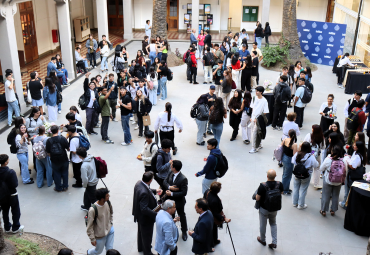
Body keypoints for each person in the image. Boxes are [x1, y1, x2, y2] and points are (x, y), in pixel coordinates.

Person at [132, 171, 162, 255]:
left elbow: (147, 189)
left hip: (139, 216)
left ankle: (141, 247)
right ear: (151, 180)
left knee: (141, 233)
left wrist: (155, 190)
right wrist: (156, 214)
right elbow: (144, 209)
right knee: (147, 236)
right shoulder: (144, 193)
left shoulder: (139, 183)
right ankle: (147, 252)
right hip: (146, 218)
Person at [255, 169, 283, 249]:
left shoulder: (262, 186)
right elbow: (281, 193)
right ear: (275, 176)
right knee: (273, 223)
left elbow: (257, 198)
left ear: (267, 176)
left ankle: (262, 240)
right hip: (274, 209)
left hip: (264, 209)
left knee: (263, 224)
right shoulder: (279, 184)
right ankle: (274, 242)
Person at [163, 160, 188, 241]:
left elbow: (184, 193)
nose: (170, 166)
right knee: (171, 216)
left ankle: (184, 231)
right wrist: (170, 187)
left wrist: (172, 194)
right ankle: (171, 230)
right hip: (170, 201)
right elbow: (165, 181)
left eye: (171, 165)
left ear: (174, 168)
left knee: (182, 215)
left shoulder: (183, 179)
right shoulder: (171, 172)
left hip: (179, 201)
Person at [0, 154, 24, 233]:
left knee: (5, 211)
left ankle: (7, 227)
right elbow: (15, 184)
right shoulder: (11, 172)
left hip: (2, 195)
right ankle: (15, 226)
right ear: (6, 162)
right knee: (15, 210)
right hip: (12, 194)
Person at [319, 145, 346, 217]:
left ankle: (324, 210)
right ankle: (333, 210)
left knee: (326, 195)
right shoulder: (343, 160)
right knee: (336, 195)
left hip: (328, 180)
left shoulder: (328, 159)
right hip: (338, 182)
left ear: (332, 152)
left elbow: (321, 168)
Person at [86, 188, 114, 255]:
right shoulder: (93, 210)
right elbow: (89, 226)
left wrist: (111, 222)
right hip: (100, 235)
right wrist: (92, 239)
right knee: (98, 251)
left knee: (110, 251)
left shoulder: (108, 202)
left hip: (110, 231)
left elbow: (111, 212)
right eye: (107, 196)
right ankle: (89, 253)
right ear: (102, 199)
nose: (109, 196)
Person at [291, 142, 319, 209]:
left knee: (295, 188)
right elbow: (316, 165)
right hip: (306, 175)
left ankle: (295, 203)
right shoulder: (311, 156)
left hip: (297, 174)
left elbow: (293, 161)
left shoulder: (297, 154)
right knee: (303, 189)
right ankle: (301, 205)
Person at [340, 141, 367, 209]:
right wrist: (350, 157)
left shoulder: (358, 156)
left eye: (355, 145)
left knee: (348, 189)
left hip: (352, 175)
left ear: (358, 147)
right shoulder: (356, 153)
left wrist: (348, 160)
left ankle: (345, 204)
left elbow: (353, 166)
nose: (353, 146)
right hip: (352, 174)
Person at [204, 182, 231, 249]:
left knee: (212, 229)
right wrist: (223, 218)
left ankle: (214, 241)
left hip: (207, 213)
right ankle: (212, 244)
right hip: (212, 216)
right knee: (212, 230)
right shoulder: (215, 200)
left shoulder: (207, 192)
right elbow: (215, 213)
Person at [46, 125, 70, 192]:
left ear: (51, 132)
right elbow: (68, 148)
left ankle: (58, 187)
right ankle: (65, 186)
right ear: (58, 131)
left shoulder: (49, 141)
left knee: (56, 173)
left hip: (54, 160)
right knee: (65, 172)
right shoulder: (62, 138)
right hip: (64, 158)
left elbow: (48, 151)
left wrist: (51, 157)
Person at [76, 147, 99, 212]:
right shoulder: (92, 158)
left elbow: (85, 178)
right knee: (87, 194)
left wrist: (84, 185)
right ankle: (86, 206)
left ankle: (98, 210)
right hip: (95, 179)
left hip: (90, 183)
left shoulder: (84, 166)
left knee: (93, 198)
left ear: (79, 156)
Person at [303, 125, 325, 189]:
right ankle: (316, 183)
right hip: (317, 155)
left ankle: (305, 179)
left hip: (308, 154)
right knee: (317, 168)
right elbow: (323, 147)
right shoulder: (322, 138)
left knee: (307, 167)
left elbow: (304, 143)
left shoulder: (309, 135)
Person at [249, 86, 269, 154]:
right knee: (255, 132)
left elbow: (265, 112)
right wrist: (252, 117)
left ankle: (254, 147)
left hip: (259, 119)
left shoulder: (264, 101)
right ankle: (259, 144)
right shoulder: (254, 98)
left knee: (255, 133)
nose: (256, 92)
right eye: (256, 91)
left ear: (261, 92)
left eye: (257, 91)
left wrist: (258, 119)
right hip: (253, 118)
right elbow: (252, 108)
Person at [26, 107, 46, 172]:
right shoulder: (29, 120)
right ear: (34, 113)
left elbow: (46, 125)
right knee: (36, 150)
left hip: (41, 135)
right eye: (37, 113)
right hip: (33, 137)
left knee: (42, 150)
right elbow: (26, 129)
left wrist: (43, 120)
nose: (39, 114)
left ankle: (43, 165)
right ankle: (36, 166)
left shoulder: (41, 117)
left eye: (39, 113)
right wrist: (34, 129)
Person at [281, 130, 298, 194]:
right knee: (288, 175)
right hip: (289, 160)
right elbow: (294, 155)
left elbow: (281, 147)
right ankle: (285, 190)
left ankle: (284, 187)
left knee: (285, 173)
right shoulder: (294, 144)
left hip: (284, 157)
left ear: (289, 134)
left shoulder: (285, 139)